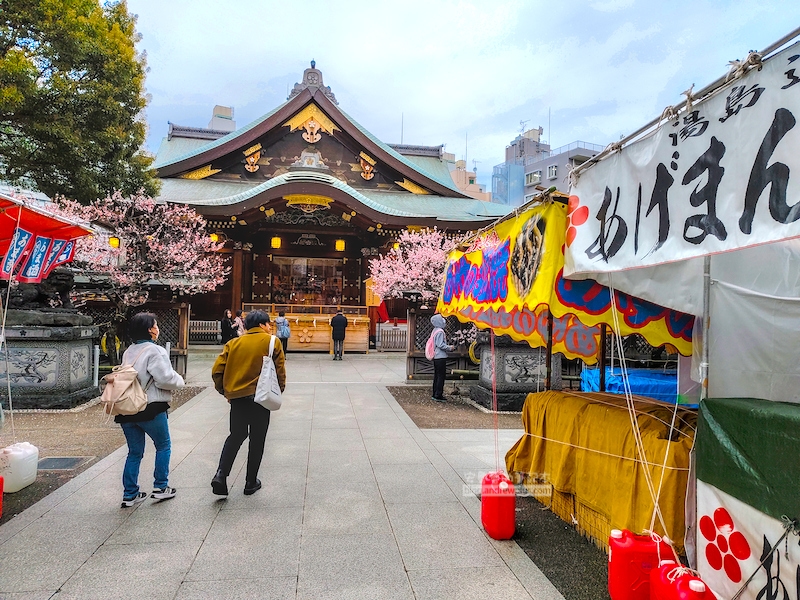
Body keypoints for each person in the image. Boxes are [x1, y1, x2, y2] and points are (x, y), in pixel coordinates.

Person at [211, 310, 286, 496]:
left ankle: (221, 475)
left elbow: (217, 371)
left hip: (237, 397)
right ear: (262, 324)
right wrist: (278, 392)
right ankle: (250, 482)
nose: (270, 327)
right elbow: (280, 372)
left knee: (235, 435)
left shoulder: (233, 343)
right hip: (261, 398)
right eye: (269, 324)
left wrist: (225, 391)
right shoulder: (272, 341)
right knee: (257, 439)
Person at [117, 312, 185, 507]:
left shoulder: (129, 350)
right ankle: (161, 487)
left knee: (134, 452)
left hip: (127, 407)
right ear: (150, 329)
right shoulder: (155, 351)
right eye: (155, 325)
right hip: (150, 407)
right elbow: (164, 379)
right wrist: (179, 380)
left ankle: (130, 493)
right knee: (163, 445)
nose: (157, 328)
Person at [429, 314, 454, 403]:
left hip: (436, 356)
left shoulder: (434, 330)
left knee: (437, 376)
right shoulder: (440, 331)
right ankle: (438, 395)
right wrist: (449, 347)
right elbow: (440, 345)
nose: (444, 321)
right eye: (442, 319)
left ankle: (435, 393)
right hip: (440, 356)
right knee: (441, 376)